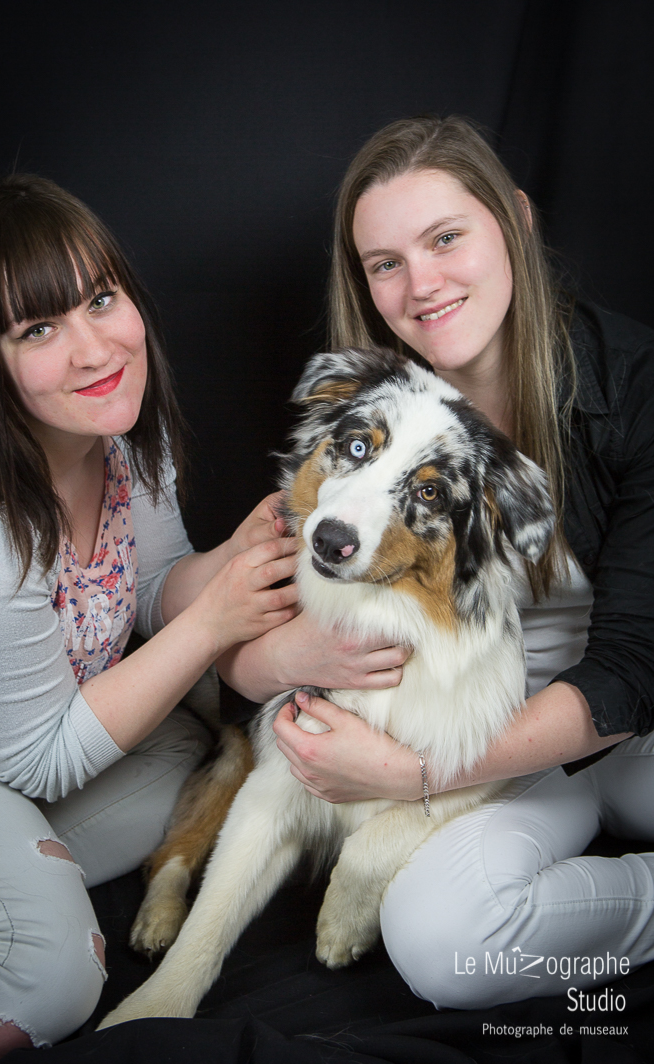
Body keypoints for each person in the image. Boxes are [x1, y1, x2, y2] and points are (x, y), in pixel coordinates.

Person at [223, 115, 654, 1008]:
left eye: (445, 238)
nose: (421, 285)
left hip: (625, 724)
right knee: (444, 946)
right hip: (499, 753)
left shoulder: (634, 386)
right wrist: (266, 656)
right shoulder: (371, 410)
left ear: (516, 221)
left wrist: (411, 777)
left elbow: (633, 667)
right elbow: (226, 591)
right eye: (385, 262)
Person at [0, 174, 309, 1063]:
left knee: (192, 751)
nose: (94, 347)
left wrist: (235, 556)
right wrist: (213, 622)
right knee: (51, 981)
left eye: (101, 299)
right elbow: (36, 758)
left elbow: (148, 588)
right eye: (38, 329)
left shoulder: (113, 438)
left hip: (24, 750)